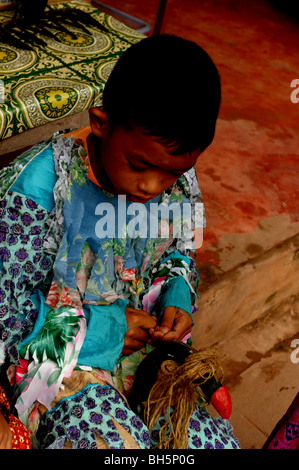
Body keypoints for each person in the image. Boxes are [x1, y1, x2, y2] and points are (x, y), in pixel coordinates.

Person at [0, 34, 240, 449]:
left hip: (144, 354)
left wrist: (177, 294)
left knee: (204, 439)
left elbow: (180, 248)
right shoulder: (42, 188)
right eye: (139, 166)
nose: (152, 187)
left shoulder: (175, 177)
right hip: (62, 369)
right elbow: (7, 319)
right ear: (101, 124)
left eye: (172, 173)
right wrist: (103, 329)